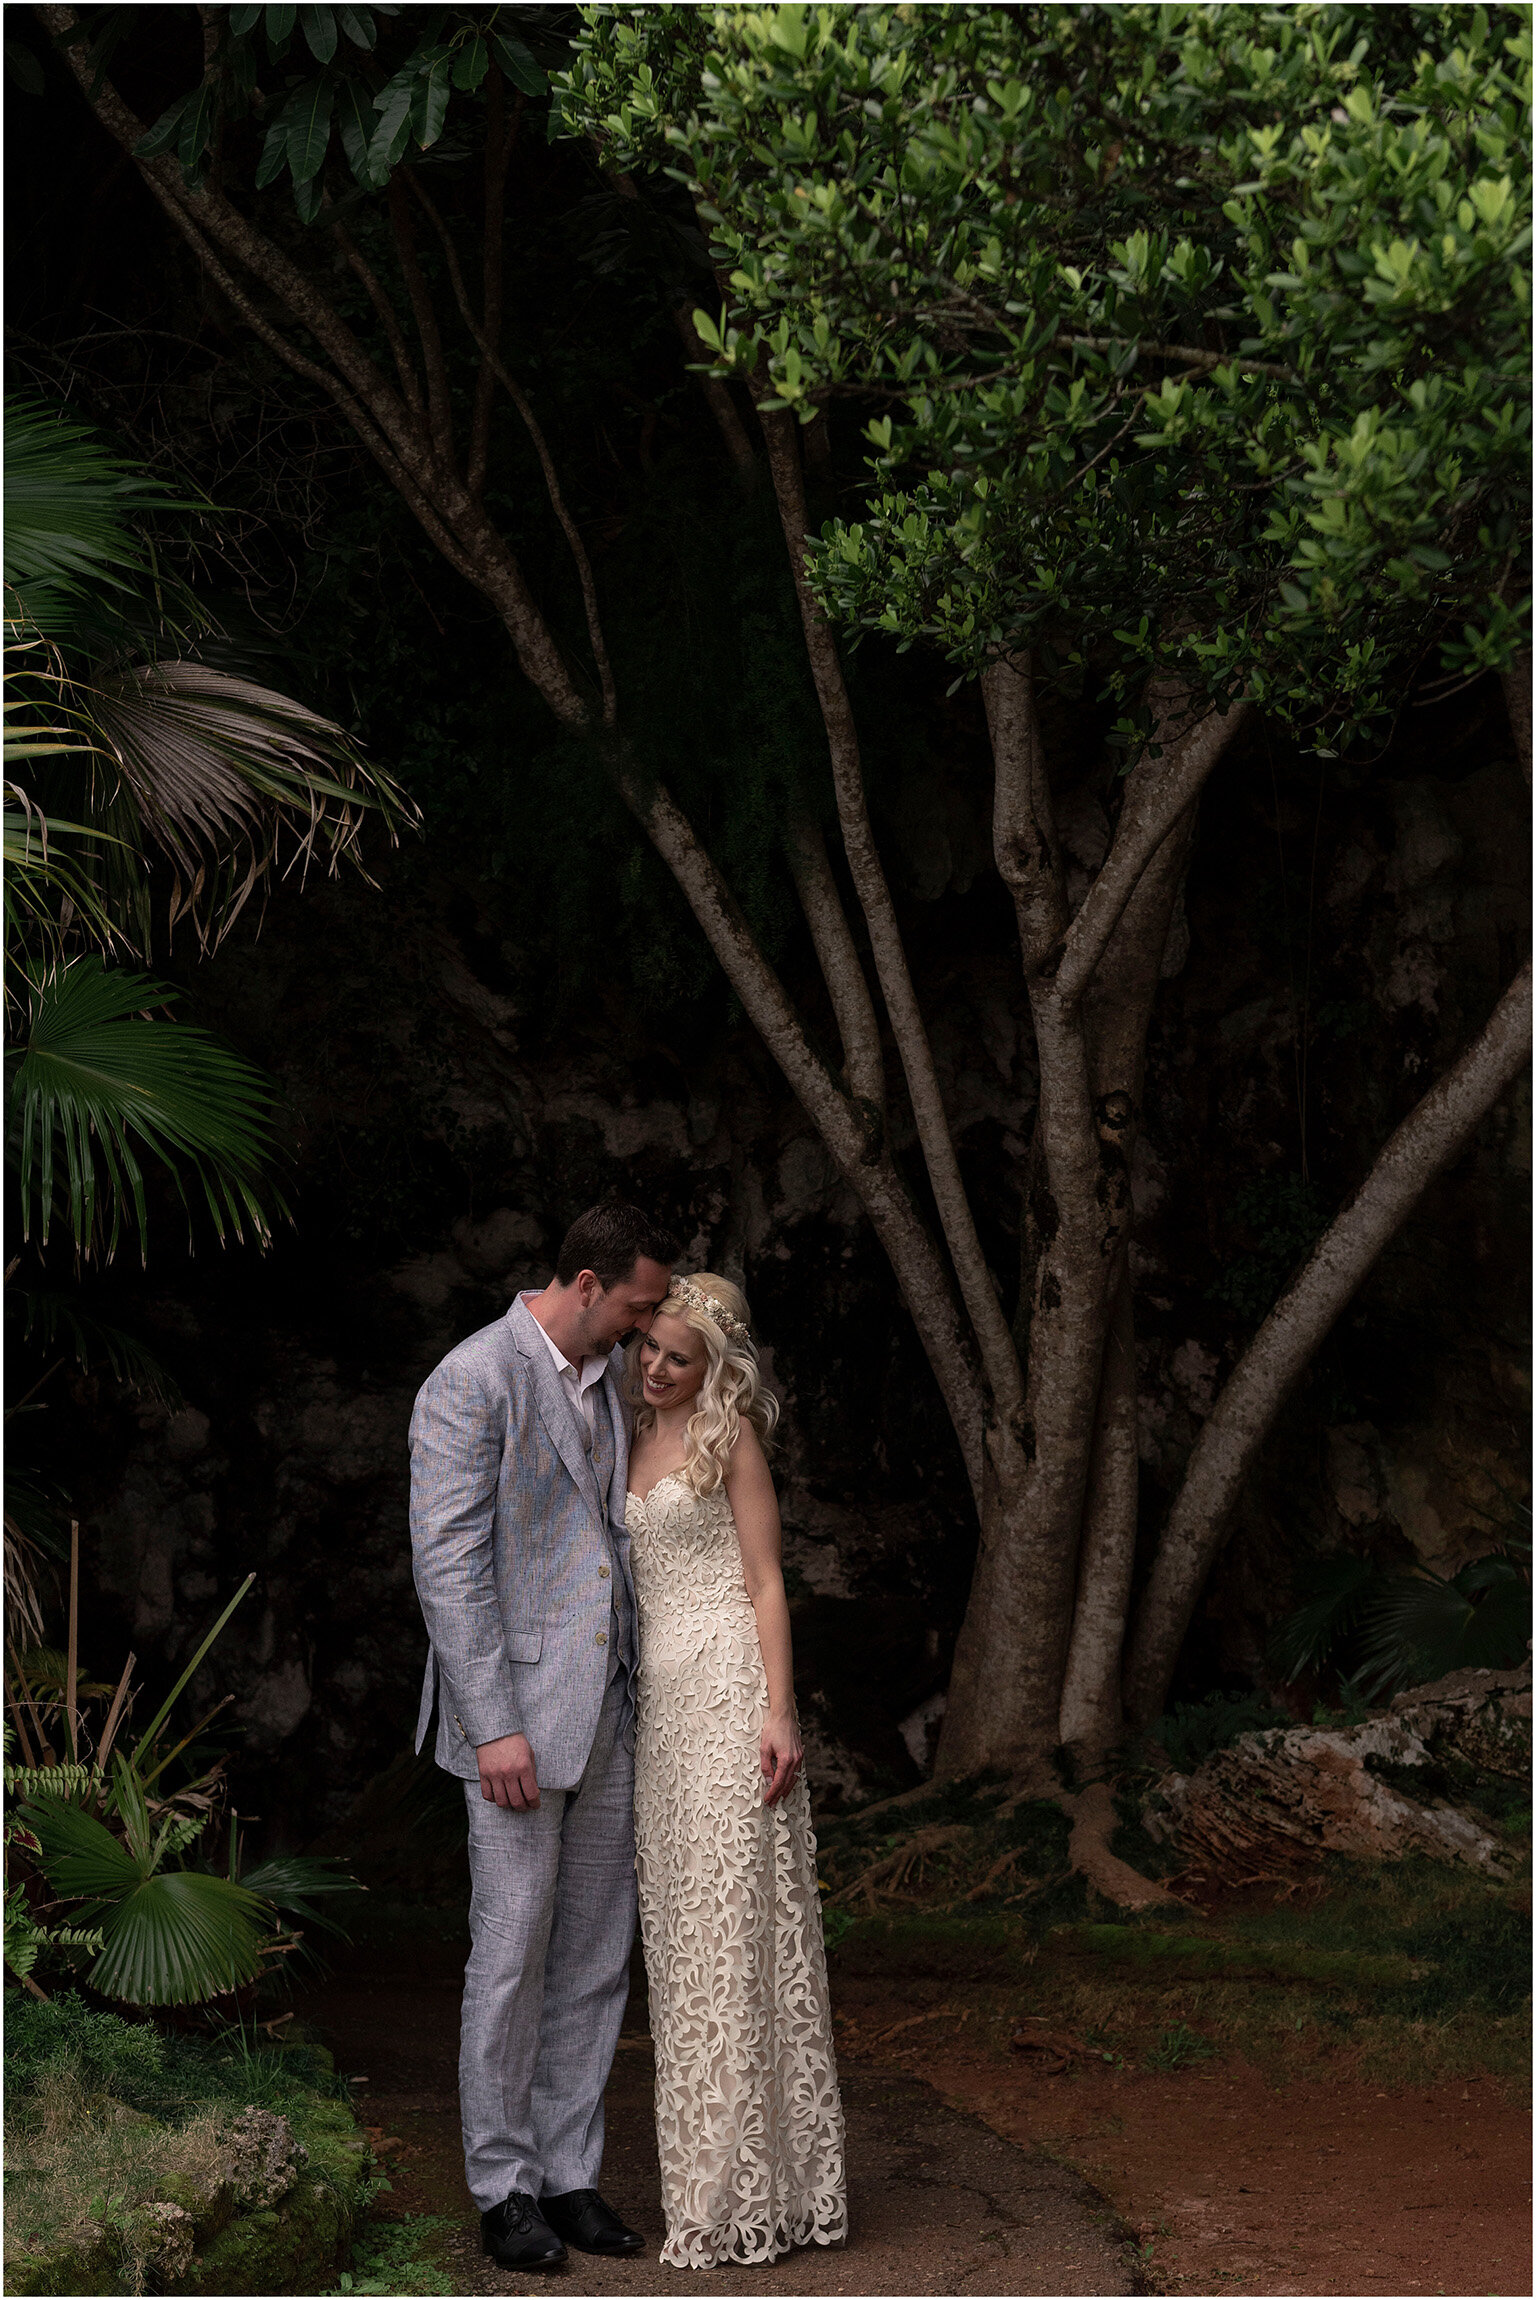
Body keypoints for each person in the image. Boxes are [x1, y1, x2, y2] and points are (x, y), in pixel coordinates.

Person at [408, 1199, 678, 2272]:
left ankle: (570, 2176)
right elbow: (449, 1566)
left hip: (611, 1711)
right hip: (513, 1724)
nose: (648, 1325)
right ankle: (502, 2185)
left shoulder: (612, 1377)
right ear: (585, 1284)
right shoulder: (470, 1379)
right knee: (512, 1950)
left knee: (595, 1956)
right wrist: (493, 1726)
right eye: (638, 1304)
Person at [623, 1273, 848, 2269]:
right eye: (650, 1348)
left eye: (679, 1355)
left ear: (714, 1365)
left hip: (725, 1693)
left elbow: (765, 1584)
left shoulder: (731, 1441)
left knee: (735, 1939)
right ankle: (721, 2182)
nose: (658, 1366)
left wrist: (779, 1710)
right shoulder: (621, 1435)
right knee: (680, 1949)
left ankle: (735, 2196)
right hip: (658, 1717)